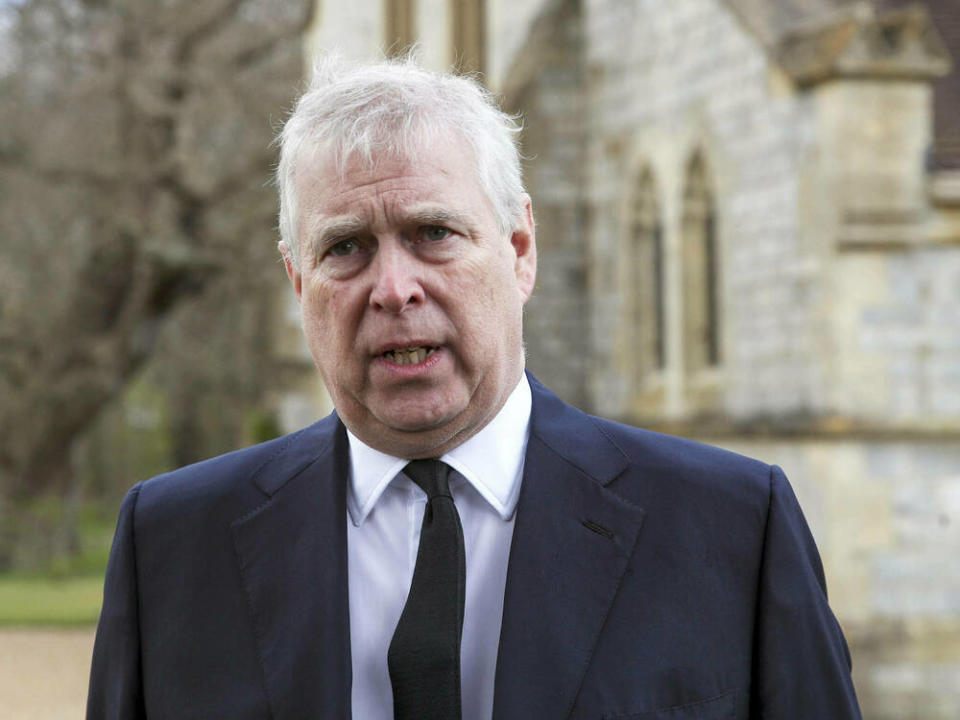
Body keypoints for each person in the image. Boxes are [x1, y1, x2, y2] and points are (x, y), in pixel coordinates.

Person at [87, 56, 862, 720]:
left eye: (433, 233)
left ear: (520, 250)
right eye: (346, 248)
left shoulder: (730, 529)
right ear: (299, 282)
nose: (394, 288)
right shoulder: (172, 548)